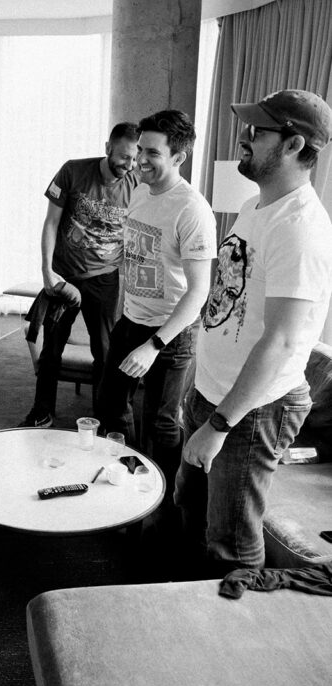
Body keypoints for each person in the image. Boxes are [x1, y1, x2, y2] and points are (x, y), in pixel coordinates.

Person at [175, 89, 332, 575]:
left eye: (258, 131)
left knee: (232, 544)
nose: (244, 138)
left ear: (293, 144)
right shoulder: (255, 205)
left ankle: (233, 617)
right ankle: (189, 603)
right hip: (213, 393)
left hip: (252, 411)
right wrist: (199, 387)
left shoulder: (300, 228)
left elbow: (282, 341)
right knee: (190, 508)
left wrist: (219, 425)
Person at [97, 109, 216, 497]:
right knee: (111, 406)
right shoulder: (139, 190)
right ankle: (130, 478)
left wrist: (154, 345)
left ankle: (166, 502)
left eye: (152, 153)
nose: (139, 160)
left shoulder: (191, 209)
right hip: (132, 319)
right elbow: (140, 250)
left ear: (179, 157)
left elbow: (198, 292)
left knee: (160, 423)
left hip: (171, 333)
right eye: (140, 149)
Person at [19, 124, 139, 428]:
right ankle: (42, 411)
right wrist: (47, 271)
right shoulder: (73, 171)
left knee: (105, 351)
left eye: (135, 159)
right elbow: (51, 222)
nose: (129, 165)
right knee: (52, 348)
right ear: (108, 147)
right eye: (124, 157)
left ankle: (103, 419)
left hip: (105, 278)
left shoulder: (138, 185)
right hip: (65, 276)